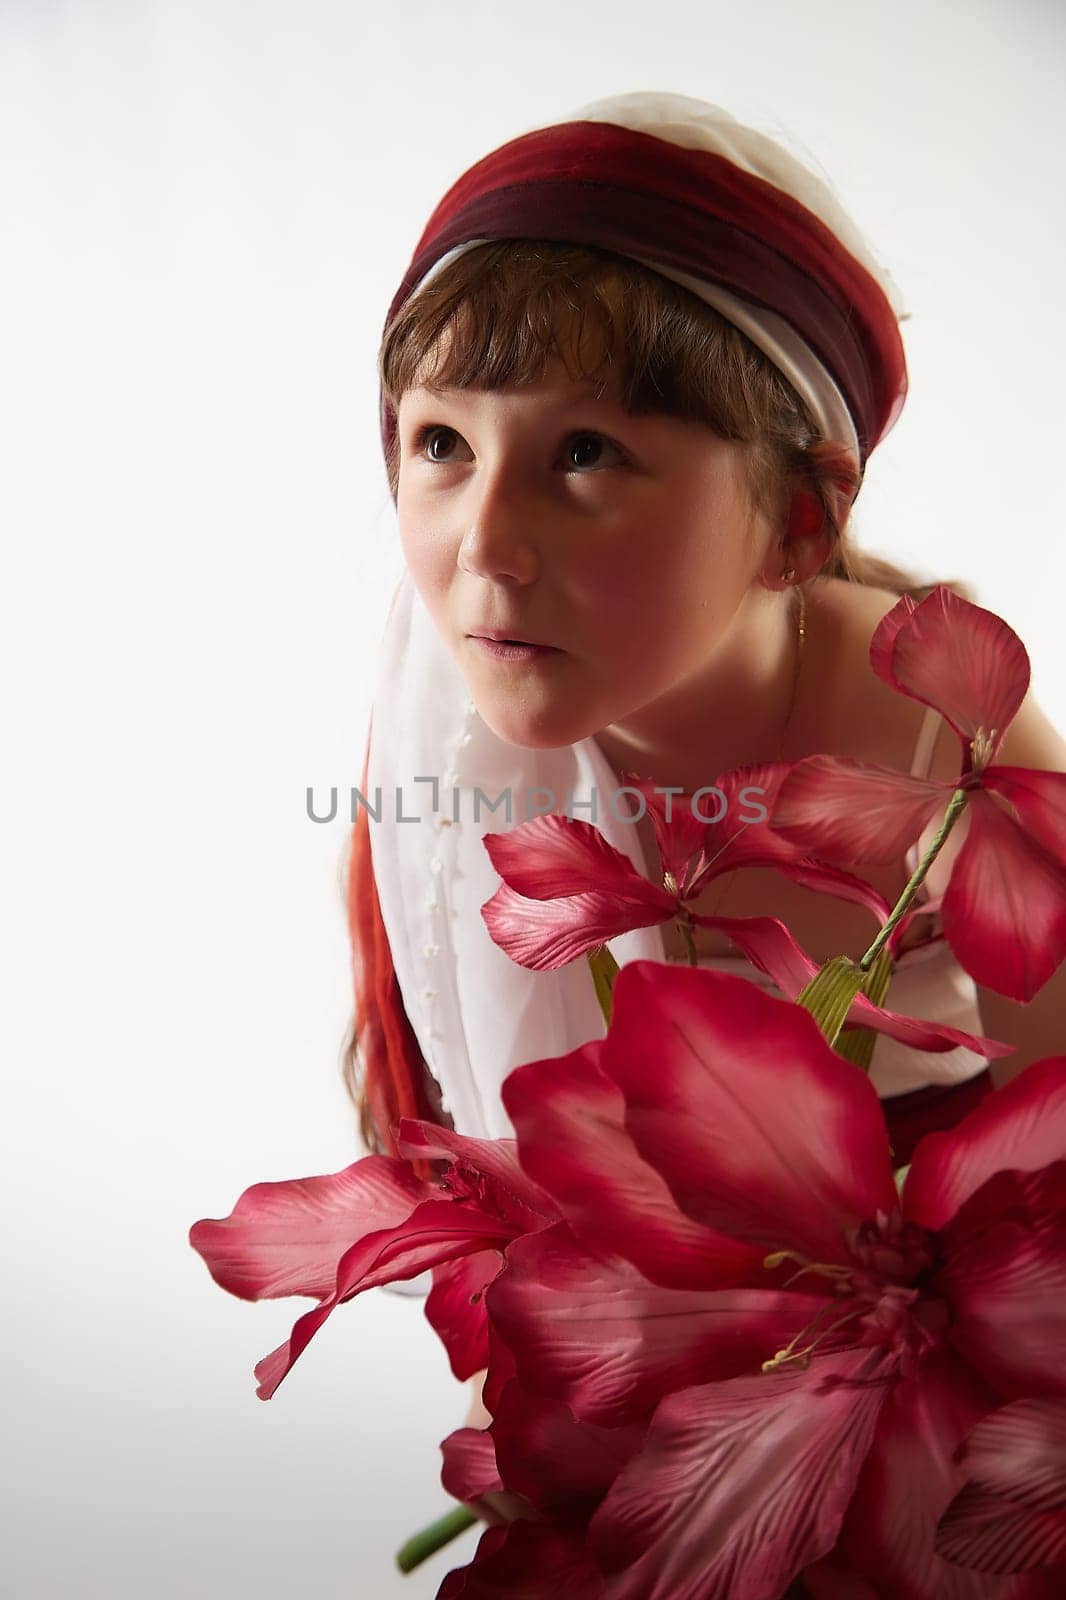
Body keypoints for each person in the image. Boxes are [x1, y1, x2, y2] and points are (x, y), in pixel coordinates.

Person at [338, 93, 1066, 1441]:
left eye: (586, 455)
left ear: (798, 521)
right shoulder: (446, 741)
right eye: (441, 443)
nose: (484, 549)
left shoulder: (941, 745)